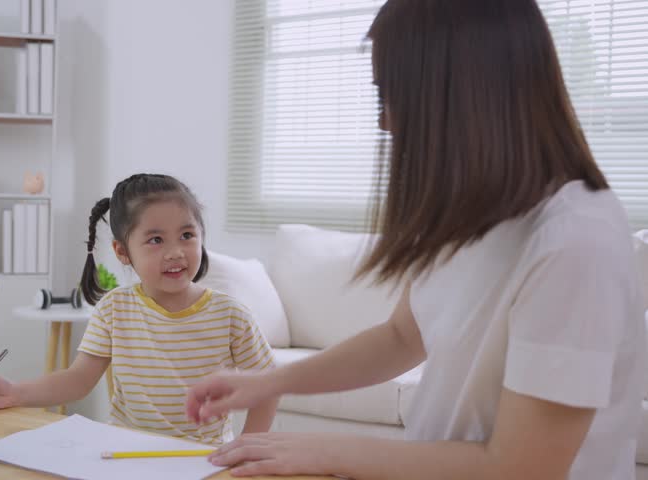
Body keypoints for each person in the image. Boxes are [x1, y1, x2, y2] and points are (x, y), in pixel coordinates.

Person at [186, 0, 647, 477]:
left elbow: (521, 466)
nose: (385, 122)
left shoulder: (576, 239)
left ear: (461, 95)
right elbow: (401, 336)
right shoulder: (470, 214)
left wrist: (325, 450)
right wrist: (265, 382)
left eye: (391, 94)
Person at [0, 173, 277, 445]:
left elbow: (268, 385)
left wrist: (245, 447)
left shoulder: (230, 315)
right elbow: (78, 380)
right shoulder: (114, 309)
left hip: (203, 460)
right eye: (156, 239)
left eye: (187, 235)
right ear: (122, 251)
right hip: (126, 454)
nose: (175, 252)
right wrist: (13, 392)